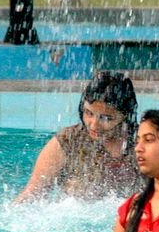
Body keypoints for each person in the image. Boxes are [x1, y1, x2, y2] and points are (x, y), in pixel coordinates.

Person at [15, 71, 143, 202]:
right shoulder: (68, 141)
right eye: (88, 113)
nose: (93, 125)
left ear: (126, 115)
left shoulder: (142, 142)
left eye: (106, 118)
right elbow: (33, 192)